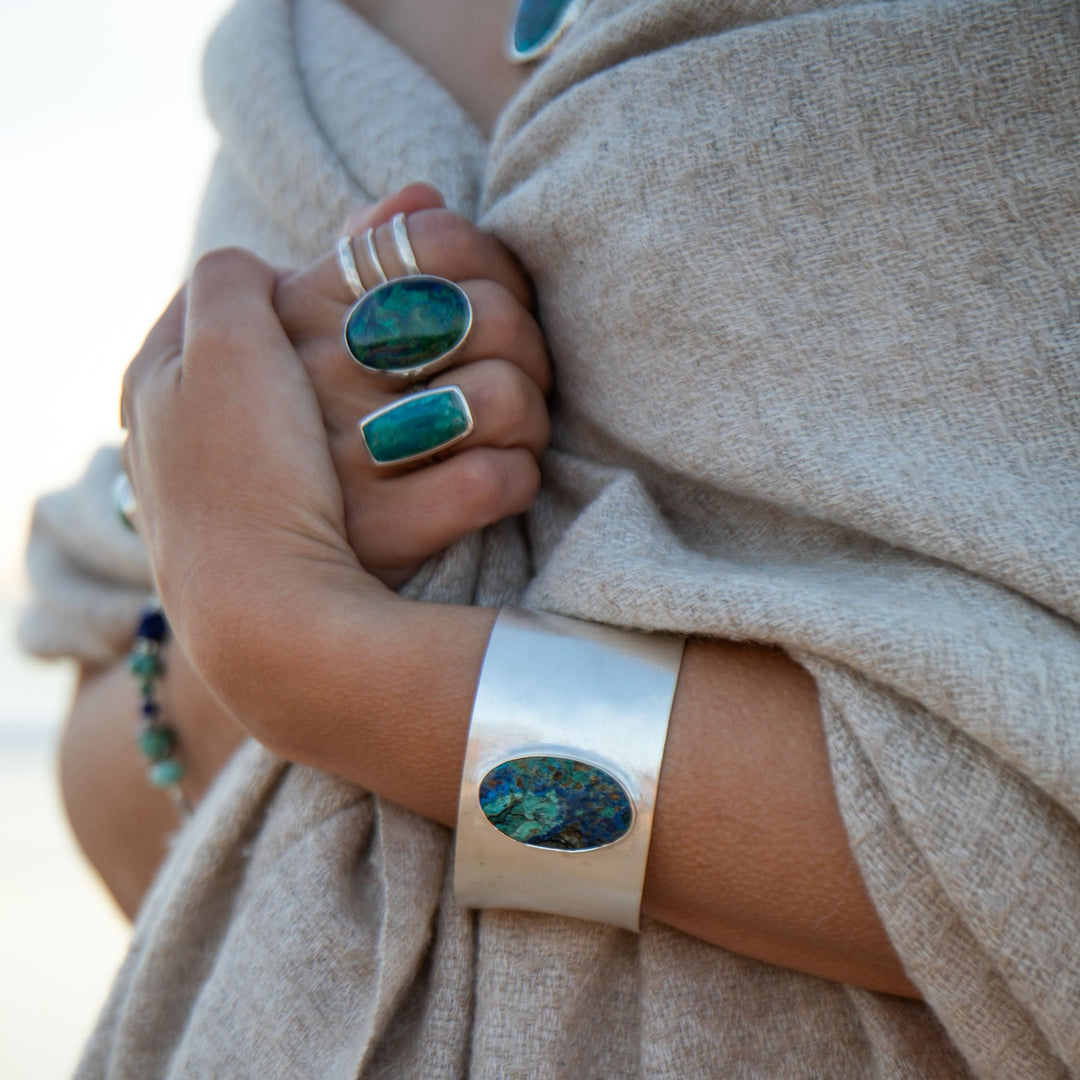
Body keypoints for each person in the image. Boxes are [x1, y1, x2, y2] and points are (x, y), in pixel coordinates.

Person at [21, 0, 1080, 1076]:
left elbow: (1045, 868)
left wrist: (332, 672)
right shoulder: (294, 43)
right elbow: (138, 827)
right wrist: (242, 600)